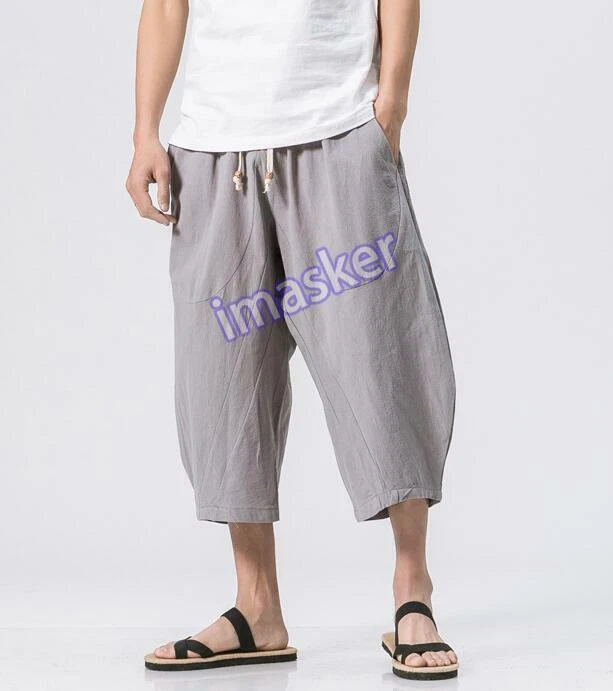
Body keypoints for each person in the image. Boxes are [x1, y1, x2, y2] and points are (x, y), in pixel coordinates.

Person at [126, 0, 458, 680]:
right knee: (224, 382)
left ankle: (412, 589)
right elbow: (164, 4)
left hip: (338, 131)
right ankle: (257, 608)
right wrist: (145, 132)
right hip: (212, 150)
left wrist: (391, 105)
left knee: (380, 361)